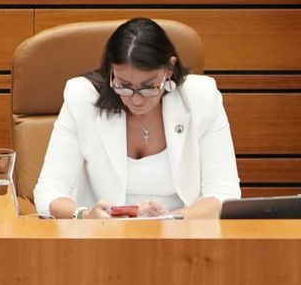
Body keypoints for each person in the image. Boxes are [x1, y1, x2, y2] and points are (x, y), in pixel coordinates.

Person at [33, 17, 240, 220]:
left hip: (181, 239)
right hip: (103, 238)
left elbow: (224, 192)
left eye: (148, 86)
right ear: (111, 72)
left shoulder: (201, 97)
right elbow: (49, 191)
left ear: (168, 69)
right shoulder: (82, 97)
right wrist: (85, 215)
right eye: (123, 85)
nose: (136, 99)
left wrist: (170, 219)